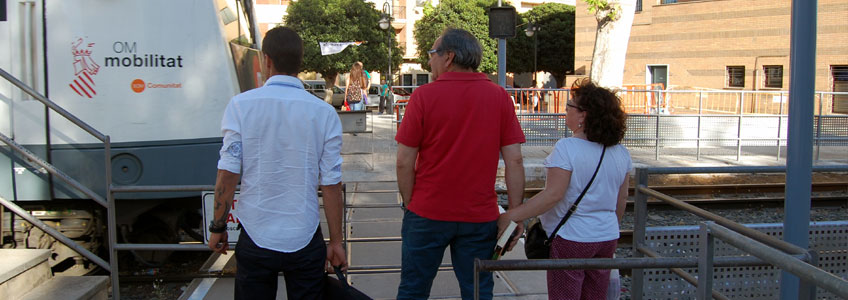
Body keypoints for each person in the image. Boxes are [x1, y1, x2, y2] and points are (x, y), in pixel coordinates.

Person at [207, 26, 347, 300]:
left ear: (267, 60)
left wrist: (218, 227)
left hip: (255, 233)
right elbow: (331, 184)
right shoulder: (324, 113)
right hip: (305, 236)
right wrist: (336, 242)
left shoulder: (240, 106)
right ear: (300, 62)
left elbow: (227, 174)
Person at [395, 28, 526, 300]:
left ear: (448, 57)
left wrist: (411, 205)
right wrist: (514, 213)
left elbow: (403, 162)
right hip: (479, 217)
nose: (428, 61)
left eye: (432, 53)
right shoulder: (499, 97)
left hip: (427, 213)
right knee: (477, 291)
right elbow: (514, 160)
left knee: (413, 290)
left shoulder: (422, 97)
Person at [497, 78, 631, 300]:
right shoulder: (620, 152)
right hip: (607, 236)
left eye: (569, 106)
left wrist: (511, 215)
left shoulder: (567, 148)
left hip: (572, 237)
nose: (565, 110)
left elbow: (553, 195)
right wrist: (606, 228)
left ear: (583, 115)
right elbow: (621, 198)